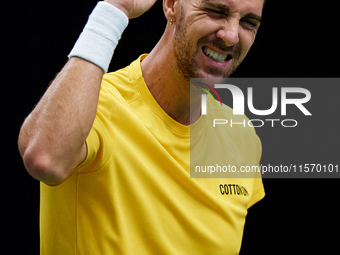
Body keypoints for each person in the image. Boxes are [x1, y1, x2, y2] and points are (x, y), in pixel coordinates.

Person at [18, 0, 265, 254]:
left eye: (248, 22)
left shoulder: (242, 135)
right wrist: (114, 10)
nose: (231, 36)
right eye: (215, 11)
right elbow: (44, 159)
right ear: (171, 5)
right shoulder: (94, 106)